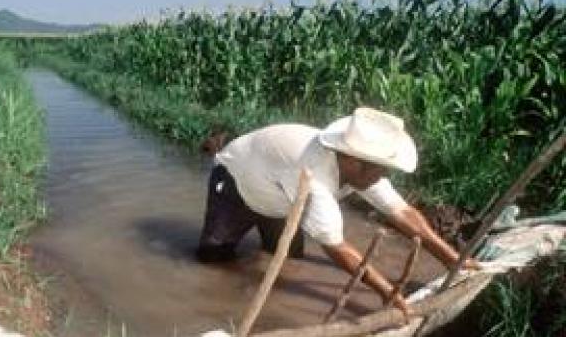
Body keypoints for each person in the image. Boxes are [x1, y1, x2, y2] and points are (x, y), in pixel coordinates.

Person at [196, 107, 479, 310]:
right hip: (236, 180)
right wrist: (387, 292)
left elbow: (401, 212)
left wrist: (453, 259)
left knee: (288, 261)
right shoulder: (314, 177)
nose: (384, 177)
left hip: (280, 193)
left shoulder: (359, 168)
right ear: (354, 162)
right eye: (381, 170)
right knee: (214, 261)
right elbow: (336, 246)